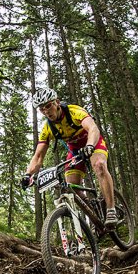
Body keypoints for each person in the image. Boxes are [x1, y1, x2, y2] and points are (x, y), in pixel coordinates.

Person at [20, 87, 117, 227]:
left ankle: (111, 209)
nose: (46, 111)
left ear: (57, 102)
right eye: (42, 109)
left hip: (93, 142)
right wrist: (28, 174)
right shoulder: (47, 128)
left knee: (99, 166)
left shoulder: (74, 111)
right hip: (75, 150)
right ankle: (94, 210)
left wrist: (90, 145)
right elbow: (39, 156)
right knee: (71, 186)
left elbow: (93, 129)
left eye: (48, 106)